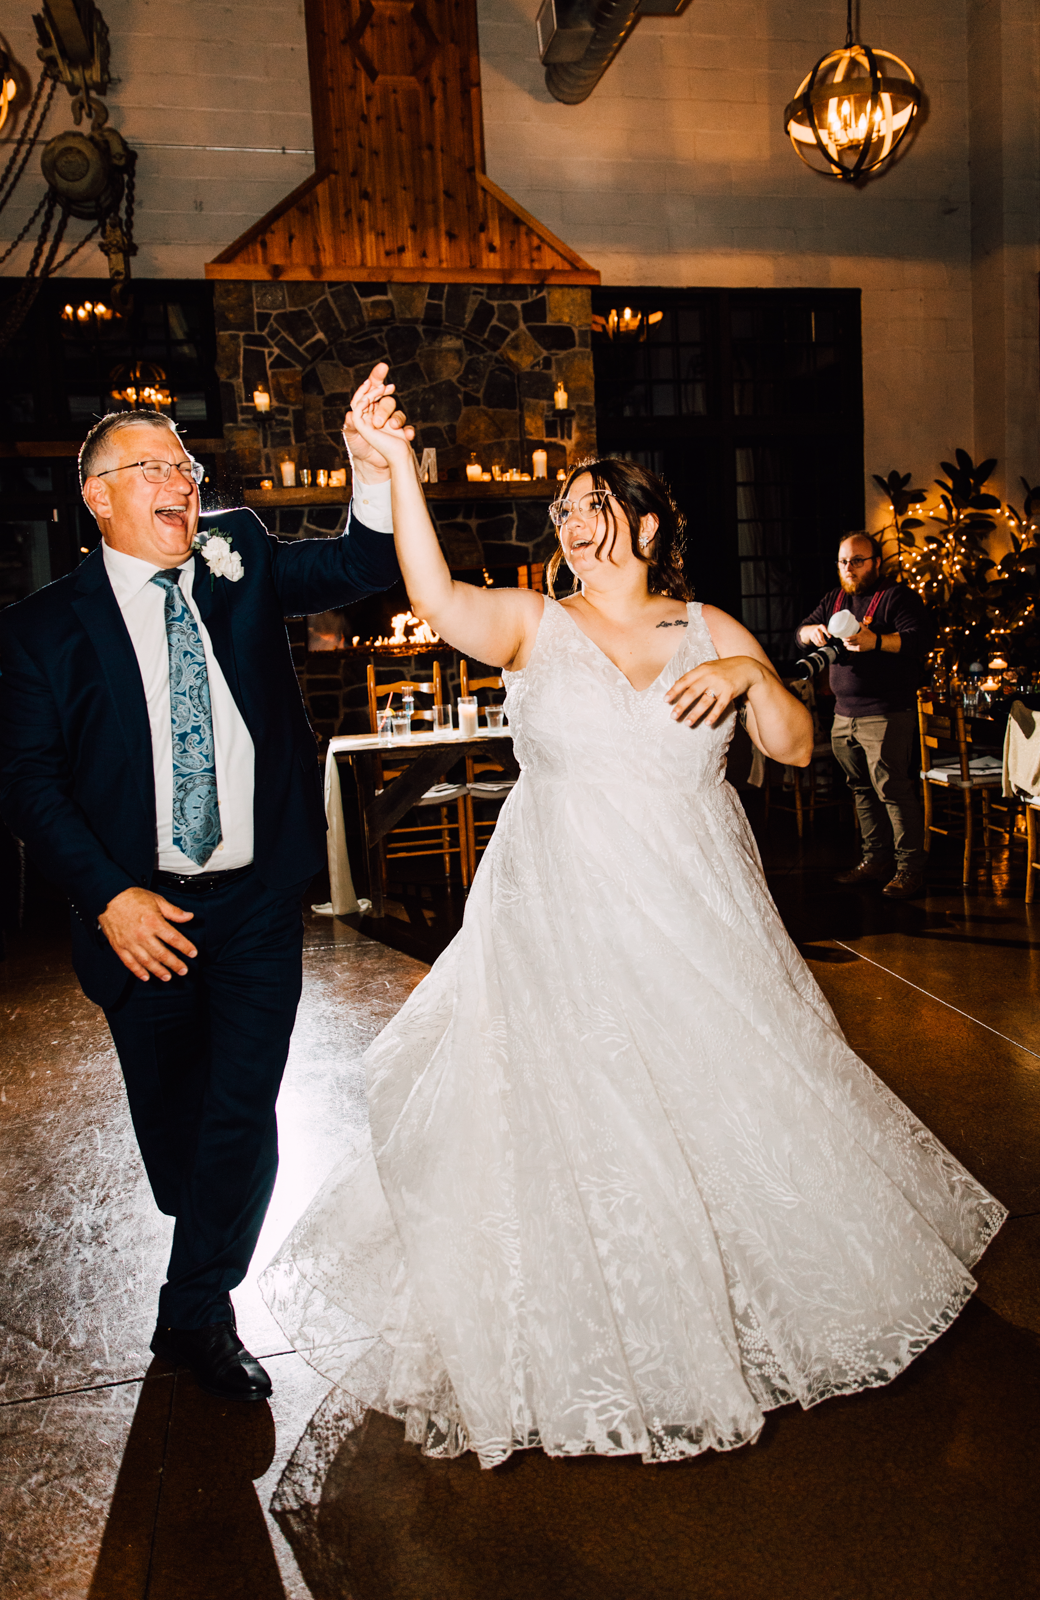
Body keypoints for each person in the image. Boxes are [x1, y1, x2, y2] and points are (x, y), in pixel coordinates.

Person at [261, 368, 1004, 1469]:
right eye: (559, 510)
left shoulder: (706, 626)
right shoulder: (529, 622)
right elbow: (433, 588)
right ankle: (592, 1329)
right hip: (556, 913)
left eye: (589, 502)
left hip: (694, 912)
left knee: (721, 1104)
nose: (569, 521)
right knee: (575, 1120)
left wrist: (752, 672)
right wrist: (398, 471)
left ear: (648, 523)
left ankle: (744, 1302)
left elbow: (795, 747)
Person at [0, 380, 406, 1402]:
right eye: (154, 466)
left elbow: (360, 562)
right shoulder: (44, 629)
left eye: (186, 465)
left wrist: (367, 468)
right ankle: (203, 1225)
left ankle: (196, 1311)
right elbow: (32, 785)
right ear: (97, 496)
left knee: (240, 1108)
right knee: (181, 1135)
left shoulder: (241, 557)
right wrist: (109, 898)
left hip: (258, 899)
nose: (181, 480)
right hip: (142, 914)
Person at [796, 532, 932, 899]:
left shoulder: (896, 597)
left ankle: (909, 869)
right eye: (843, 561)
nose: (849, 568)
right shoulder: (835, 599)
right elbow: (801, 632)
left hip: (886, 713)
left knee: (893, 790)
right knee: (860, 790)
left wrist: (879, 642)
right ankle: (875, 861)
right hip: (844, 714)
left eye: (857, 560)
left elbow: (921, 640)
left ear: (876, 561)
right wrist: (814, 633)